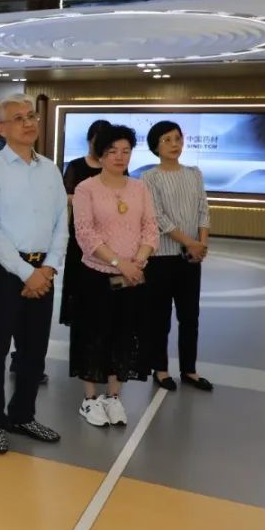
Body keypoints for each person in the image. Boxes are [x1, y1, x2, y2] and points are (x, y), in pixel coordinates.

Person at [0, 95, 68, 453]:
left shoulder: (50, 170)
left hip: (43, 271)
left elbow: (61, 223)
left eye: (32, 117)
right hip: (0, 272)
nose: (28, 123)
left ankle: (23, 415)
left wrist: (49, 267)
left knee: (33, 351)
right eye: (18, 118)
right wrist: (27, 273)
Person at [71, 124, 158, 427]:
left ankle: (114, 396)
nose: (120, 157)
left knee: (124, 334)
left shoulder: (139, 188)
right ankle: (90, 399)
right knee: (94, 335)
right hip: (96, 275)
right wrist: (121, 263)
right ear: (100, 154)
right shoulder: (86, 189)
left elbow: (150, 227)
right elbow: (85, 234)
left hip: (133, 275)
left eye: (126, 151)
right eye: (112, 152)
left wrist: (139, 260)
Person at [142, 121, 214, 392]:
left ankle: (189, 370)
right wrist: (190, 243)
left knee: (190, 316)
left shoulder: (194, 174)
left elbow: (203, 210)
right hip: (161, 256)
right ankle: (160, 369)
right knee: (159, 316)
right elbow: (158, 217)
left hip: (191, 258)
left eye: (178, 138)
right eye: (167, 140)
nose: (175, 144)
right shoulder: (149, 177)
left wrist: (201, 245)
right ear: (155, 147)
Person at [60, 119, 111, 326]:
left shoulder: (113, 167)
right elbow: (64, 196)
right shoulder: (76, 165)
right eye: (97, 142)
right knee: (78, 277)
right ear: (89, 140)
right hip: (80, 233)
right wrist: (88, 198)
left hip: (109, 233)